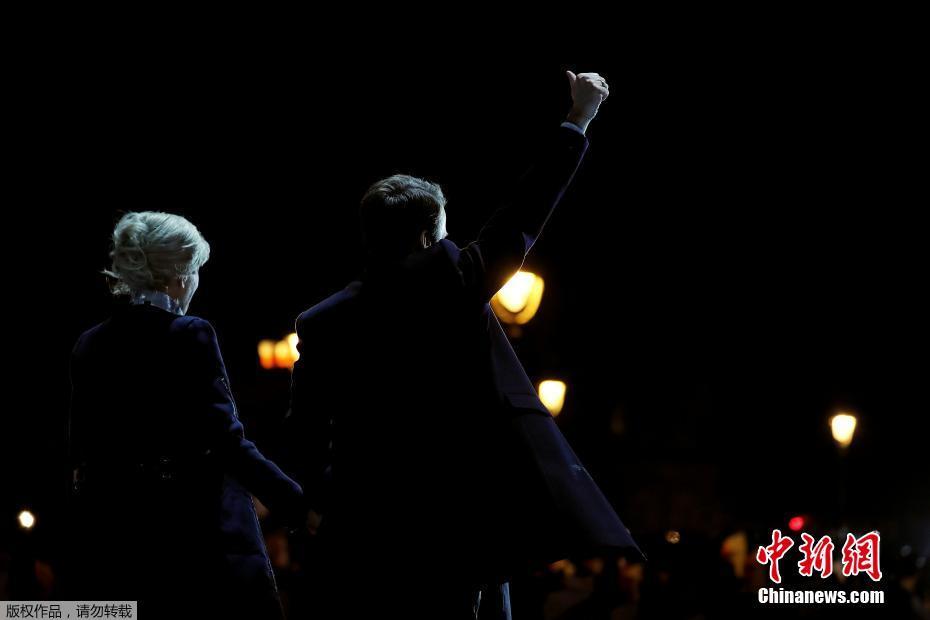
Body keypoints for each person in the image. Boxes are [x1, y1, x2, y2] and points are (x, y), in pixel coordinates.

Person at [283, 70, 641, 619]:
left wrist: (324, 504)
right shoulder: (456, 285)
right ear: (428, 235)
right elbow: (524, 211)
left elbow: (303, 432)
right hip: (462, 529)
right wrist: (579, 118)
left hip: (365, 533)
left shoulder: (322, 321)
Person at [64, 212, 304, 619]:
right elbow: (228, 442)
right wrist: (298, 506)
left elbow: (83, 455)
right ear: (177, 274)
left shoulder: (89, 344)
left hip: (117, 546)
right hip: (196, 541)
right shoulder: (190, 333)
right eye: (194, 270)